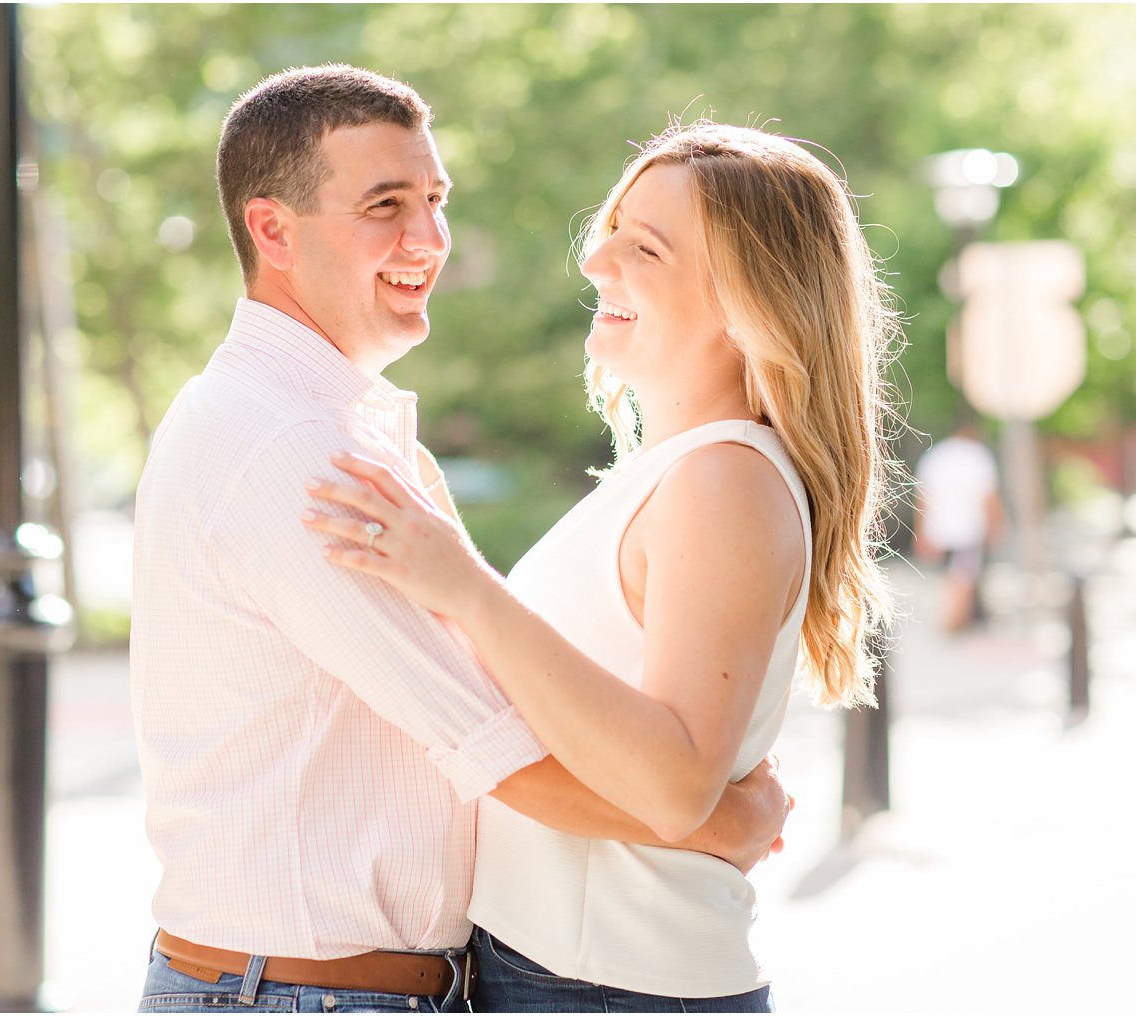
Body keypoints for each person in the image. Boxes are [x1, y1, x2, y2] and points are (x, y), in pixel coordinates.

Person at [131, 68, 787, 1014]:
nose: (427, 239)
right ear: (273, 231)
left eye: (434, 200)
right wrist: (722, 820)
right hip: (295, 996)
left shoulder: (327, 427)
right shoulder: (292, 450)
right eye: (385, 205)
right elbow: (496, 750)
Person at [304, 121, 900, 1012]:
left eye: (644, 248)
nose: (596, 264)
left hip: (603, 985)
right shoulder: (692, 471)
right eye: (611, 232)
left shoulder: (726, 479)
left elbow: (672, 781)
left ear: (749, 301)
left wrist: (462, 583)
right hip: (577, 975)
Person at [913, 419, 1004, 632]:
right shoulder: (977, 456)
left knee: (951, 576)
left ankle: (956, 617)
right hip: (968, 528)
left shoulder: (935, 456)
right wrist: (995, 526)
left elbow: (921, 497)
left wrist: (920, 531)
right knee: (963, 575)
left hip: (938, 528)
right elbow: (988, 497)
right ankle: (954, 621)